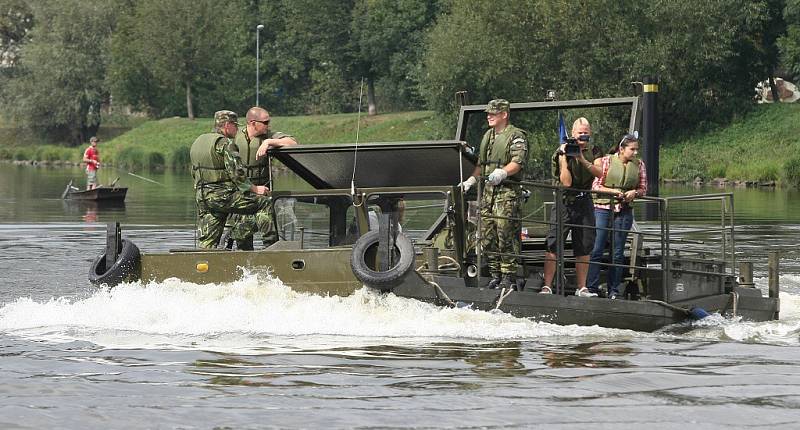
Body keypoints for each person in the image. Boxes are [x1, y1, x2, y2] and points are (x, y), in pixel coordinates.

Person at [459, 99, 528, 290]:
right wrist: (471, 181)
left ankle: (509, 276)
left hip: (506, 194)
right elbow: (482, 165)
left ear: (504, 114)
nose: (488, 116)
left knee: (505, 233)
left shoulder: (516, 136)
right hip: (487, 194)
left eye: (493, 113)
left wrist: (503, 172)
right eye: (488, 113)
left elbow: (518, 162)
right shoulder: (488, 136)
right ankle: (495, 274)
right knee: (486, 235)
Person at [190, 110, 273, 249]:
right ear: (227, 125)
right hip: (223, 196)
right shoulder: (225, 143)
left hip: (203, 197)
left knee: (208, 242)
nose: (237, 129)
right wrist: (255, 188)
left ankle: (203, 266)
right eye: (235, 125)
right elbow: (236, 173)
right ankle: (271, 248)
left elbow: (194, 172)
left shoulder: (198, 142)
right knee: (265, 203)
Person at [541, 117, 602, 296]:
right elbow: (566, 183)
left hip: (585, 202)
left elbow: (599, 173)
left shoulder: (595, 151)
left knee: (584, 245)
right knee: (553, 243)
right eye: (579, 133)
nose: (583, 136)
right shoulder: (561, 152)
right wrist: (564, 158)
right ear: (573, 134)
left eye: (586, 133)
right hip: (564, 202)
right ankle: (547, 286)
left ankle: (581, 287)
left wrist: (581, 158)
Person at [228, 106, 298, 250]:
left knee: (270, 234)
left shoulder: (268, 136)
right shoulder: (236, 137)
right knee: (241, 237)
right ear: (253, 123)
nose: (268, 125)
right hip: (243, 194)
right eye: (265, 122)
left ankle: (271, 260)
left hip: (264, 194)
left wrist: (268, 143)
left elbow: (293, 142)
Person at [587, 133, 647, 299]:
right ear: (622, 149)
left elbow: (643, 188)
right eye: (632, 149)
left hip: (625, 211)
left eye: (637, 149)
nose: (635, 153)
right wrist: (613, 191)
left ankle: (613, 290)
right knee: (597, 249)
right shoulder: (606, 161)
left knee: (618, 252)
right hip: (602, 208)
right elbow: (596, 185)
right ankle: (591, 287)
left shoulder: (639, 165)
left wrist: (634, 192)